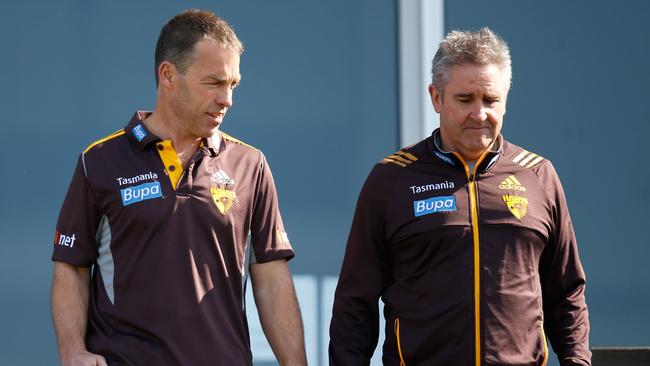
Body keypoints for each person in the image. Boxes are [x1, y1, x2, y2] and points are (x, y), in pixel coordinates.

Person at [51, 9, 307, 366]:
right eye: (214, 82)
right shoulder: (99, 161)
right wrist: (73, 351)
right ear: (168, 75)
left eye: (233, 84)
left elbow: (271, 278)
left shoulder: (250, 164)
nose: (227, 99)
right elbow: (71, 265)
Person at [329, 28, 590, 365]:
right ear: (436, 97)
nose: (479, 114)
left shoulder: (539, 175)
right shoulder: (392, 178)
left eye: (491, 100)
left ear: (506, 100)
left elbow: (567, 293)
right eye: (465, 99)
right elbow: (355, 301)